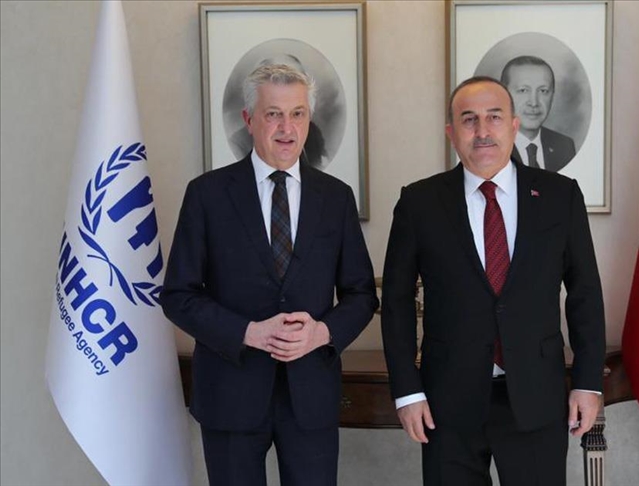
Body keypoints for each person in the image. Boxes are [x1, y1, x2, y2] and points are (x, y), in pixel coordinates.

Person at [381, 76, 606, 485]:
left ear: (514, 126)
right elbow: (396, 303)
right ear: (451, 133)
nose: (482, 131)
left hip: (537, 397)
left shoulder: (560, 196)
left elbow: (585, 294)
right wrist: (408, 392)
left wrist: (588, 383)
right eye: (469, 120)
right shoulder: (419, 202)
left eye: (494, 117)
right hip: (447, 403)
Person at [162, 64, 378, 486]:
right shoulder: (206, 194)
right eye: (273, 114)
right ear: (249, 119)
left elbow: (362, 294)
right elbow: (178, 295)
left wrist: (321, 333)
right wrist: (248, 333)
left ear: (309, 119)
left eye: (297, 113)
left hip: (311, 395)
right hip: (230, 392)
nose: (286, 127)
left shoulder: (336, 198)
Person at [501, 55, 577, 172]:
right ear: (503, 94)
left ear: (552, 95)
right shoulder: (491, 146)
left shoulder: (564, 146)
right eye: (523, 90)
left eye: (543, 91)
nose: (534, 102)